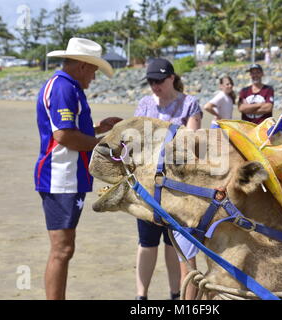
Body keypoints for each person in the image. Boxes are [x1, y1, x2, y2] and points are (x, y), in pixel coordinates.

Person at [34, 37, 122, 300]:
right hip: (61, 177)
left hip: (70, 176)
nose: (94, 77)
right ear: (83, 66)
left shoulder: (67, 86)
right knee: (62, 249)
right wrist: (104, 146)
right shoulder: (63, 87)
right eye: (94, 70)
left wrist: (97, 128)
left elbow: (66, 130)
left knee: (64, 248)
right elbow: (63, 136)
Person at [134, 58, 203, 300]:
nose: (154, 86)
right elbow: (136, 142)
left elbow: (191, 143)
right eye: (150, 82)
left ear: (172, 78)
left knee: (175, 245)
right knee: (146, 242)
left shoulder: (190, 104)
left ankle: (176, 294)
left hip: (179, 189)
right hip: (148, 187)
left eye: (158, 81)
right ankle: (141, 297)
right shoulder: (144, 105)